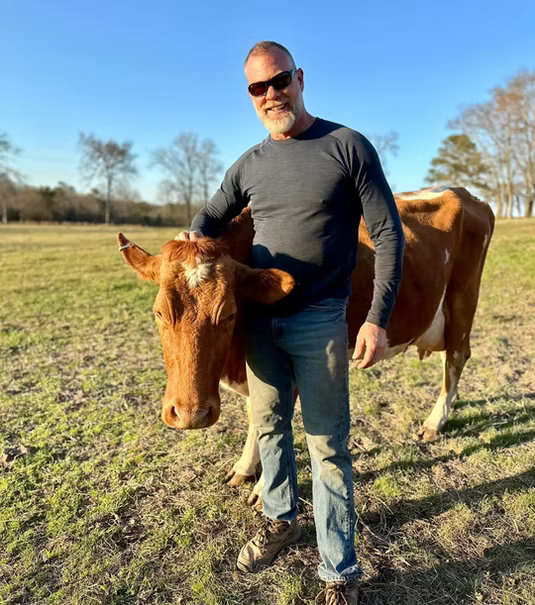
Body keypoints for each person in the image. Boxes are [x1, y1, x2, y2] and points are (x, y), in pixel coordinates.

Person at [177, 41, 404, 605]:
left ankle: (339, 572)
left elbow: (390, 234)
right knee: (270, 428)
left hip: (322, 318)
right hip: (260, 321)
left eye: (279, 81)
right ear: (250, 96)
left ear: (299, 78)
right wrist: (191, 240)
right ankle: (281, 518)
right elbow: (209, 216)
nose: (271, 94)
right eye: (259, 88)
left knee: (328, 446)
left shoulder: (346, 145)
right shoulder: (249, 164)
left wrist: (375, 319)